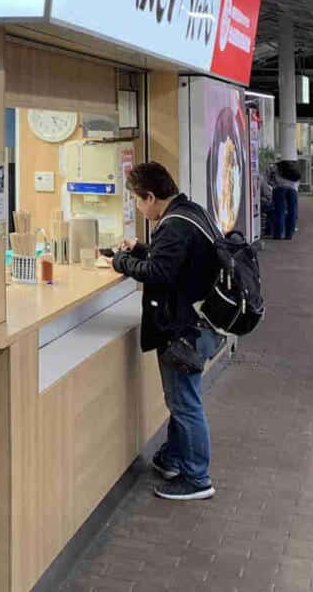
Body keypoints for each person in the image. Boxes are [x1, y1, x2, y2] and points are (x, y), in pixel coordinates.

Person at [110, 162, 223, 502]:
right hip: (202, 322)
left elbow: (159, 274)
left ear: (149, 196)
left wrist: (121, 262)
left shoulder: (172, 225)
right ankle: (174, 459)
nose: (138, 208)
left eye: (136, 201)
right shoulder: (189, 212)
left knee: (184, 402)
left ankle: (196, 479)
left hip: (184, 329)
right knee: (182, 398)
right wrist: (142, 251)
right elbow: (177, 264)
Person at [270, 160, 301, 240]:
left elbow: (273, 179)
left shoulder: (277, 166)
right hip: (293, 189)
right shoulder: (295, 166)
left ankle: (278, 234)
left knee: (279, 211)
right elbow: (298, 179)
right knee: (292, 212)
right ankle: (289, 234)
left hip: (280, 188)